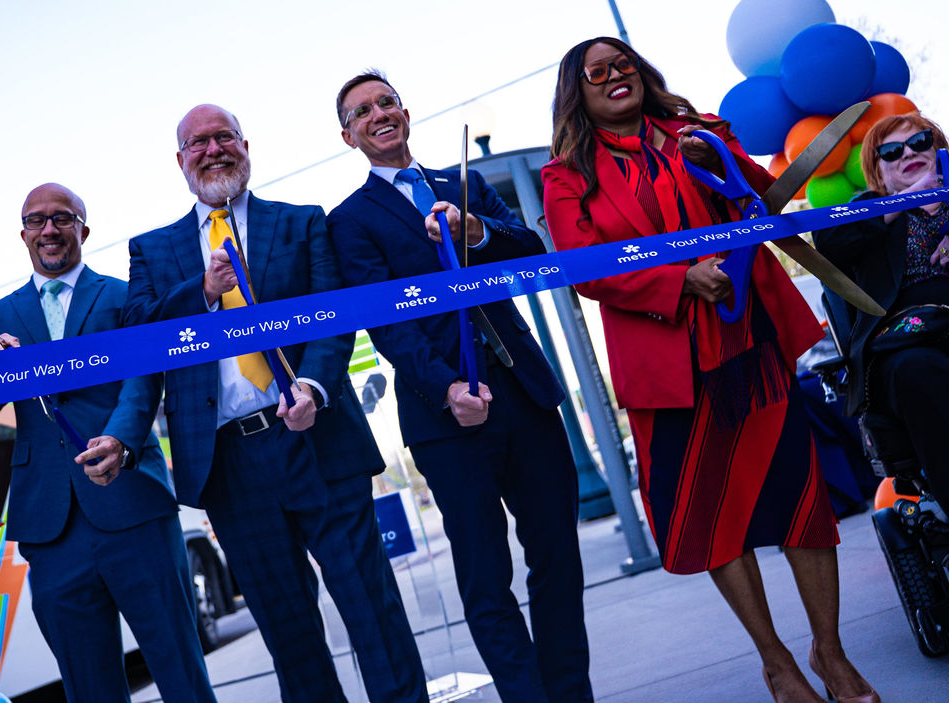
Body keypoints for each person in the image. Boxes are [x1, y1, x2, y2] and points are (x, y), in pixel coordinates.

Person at [541, 37, 880, 703]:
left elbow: (766, 200)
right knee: (716, 516)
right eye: (598, 72)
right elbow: (586, 269)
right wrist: (678, 278)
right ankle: (778, 662)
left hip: (750, 345)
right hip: (670, 370)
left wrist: (717, 155)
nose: (616, 77)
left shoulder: (699, 132)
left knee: (801, 504)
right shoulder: (566, 175)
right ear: (576, 92)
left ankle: (830, 652)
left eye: (625, 64)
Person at [124, 104, 427, 703]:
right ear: (179, 161)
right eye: (196, 143)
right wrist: (202, 293)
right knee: (290, 638)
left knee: (373, 611)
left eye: (223, 138)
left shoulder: (301, 222)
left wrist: (313, 387)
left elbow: (334, 319)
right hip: (229, 467)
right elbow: (142, 334)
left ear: (244, 144)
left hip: (318, 441)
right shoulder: (151, 252)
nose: (212, 150)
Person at [327, 71, 593, 703]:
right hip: (446, 420)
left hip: (525, 396)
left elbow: (531, 251)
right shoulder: (351, 221)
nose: (378, 114)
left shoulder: (465, 186)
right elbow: (386, 323)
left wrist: (477, 232)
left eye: (386, 102)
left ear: (406, 111)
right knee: (485, 577)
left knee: (557, 558)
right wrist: (447, 389)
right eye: (362, 112)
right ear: (349, 135)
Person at [0, 183, 216, 703]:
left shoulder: (123, 297)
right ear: (23, 234)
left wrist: (122, 441)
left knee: (178, 664)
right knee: (88, 686)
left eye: (62, 218)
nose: (49, 229)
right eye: (36, 221)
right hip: (51, 526)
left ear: (84, 228)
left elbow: (143, 379)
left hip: (134, 504)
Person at [815, 112, 949, 509]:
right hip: (906, 345)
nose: (908, 152)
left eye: (920, 142)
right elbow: (827, 241)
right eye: (891, 151)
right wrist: (908, 200)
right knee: (918, 369)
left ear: (938, 147)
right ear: (878, 172)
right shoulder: (870, 211)